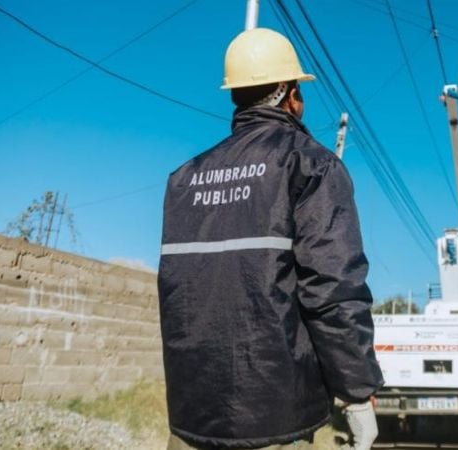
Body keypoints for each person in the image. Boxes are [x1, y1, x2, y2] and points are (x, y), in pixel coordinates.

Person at [158, 27, 384, 450]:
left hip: (191, 420)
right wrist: (357, 393)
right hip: (276, 421)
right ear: (287, 92)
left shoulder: (183, 181)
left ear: (236, 95)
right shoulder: (312, 165)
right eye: (299, 91)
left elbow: (178, 294)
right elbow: (332, 288)